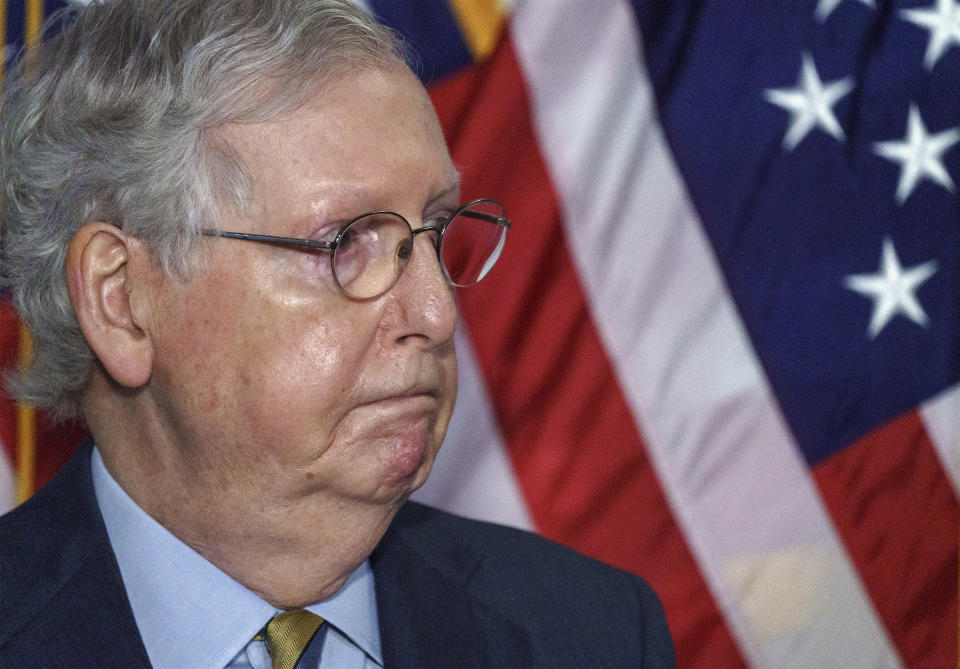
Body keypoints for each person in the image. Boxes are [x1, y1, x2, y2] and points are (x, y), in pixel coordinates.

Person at [0, 1, 674, 667]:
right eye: (344, 243)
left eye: (434, 231)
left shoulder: (591, 632)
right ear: (122, 299)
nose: (438, 313)